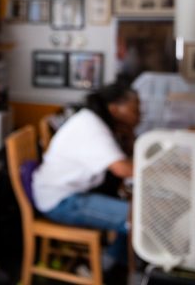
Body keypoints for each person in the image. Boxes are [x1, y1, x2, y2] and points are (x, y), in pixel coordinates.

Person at [31, 83, 140, 275]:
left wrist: (129, 132)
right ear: (114, 108)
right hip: (62, 201)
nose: (139, 114)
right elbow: (121, 169)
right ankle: (113, 267)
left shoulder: (93, 120)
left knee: (136, 213)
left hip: (66, 193)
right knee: (138, 218)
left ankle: (113, 261)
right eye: (135, 109)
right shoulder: (92, 127)